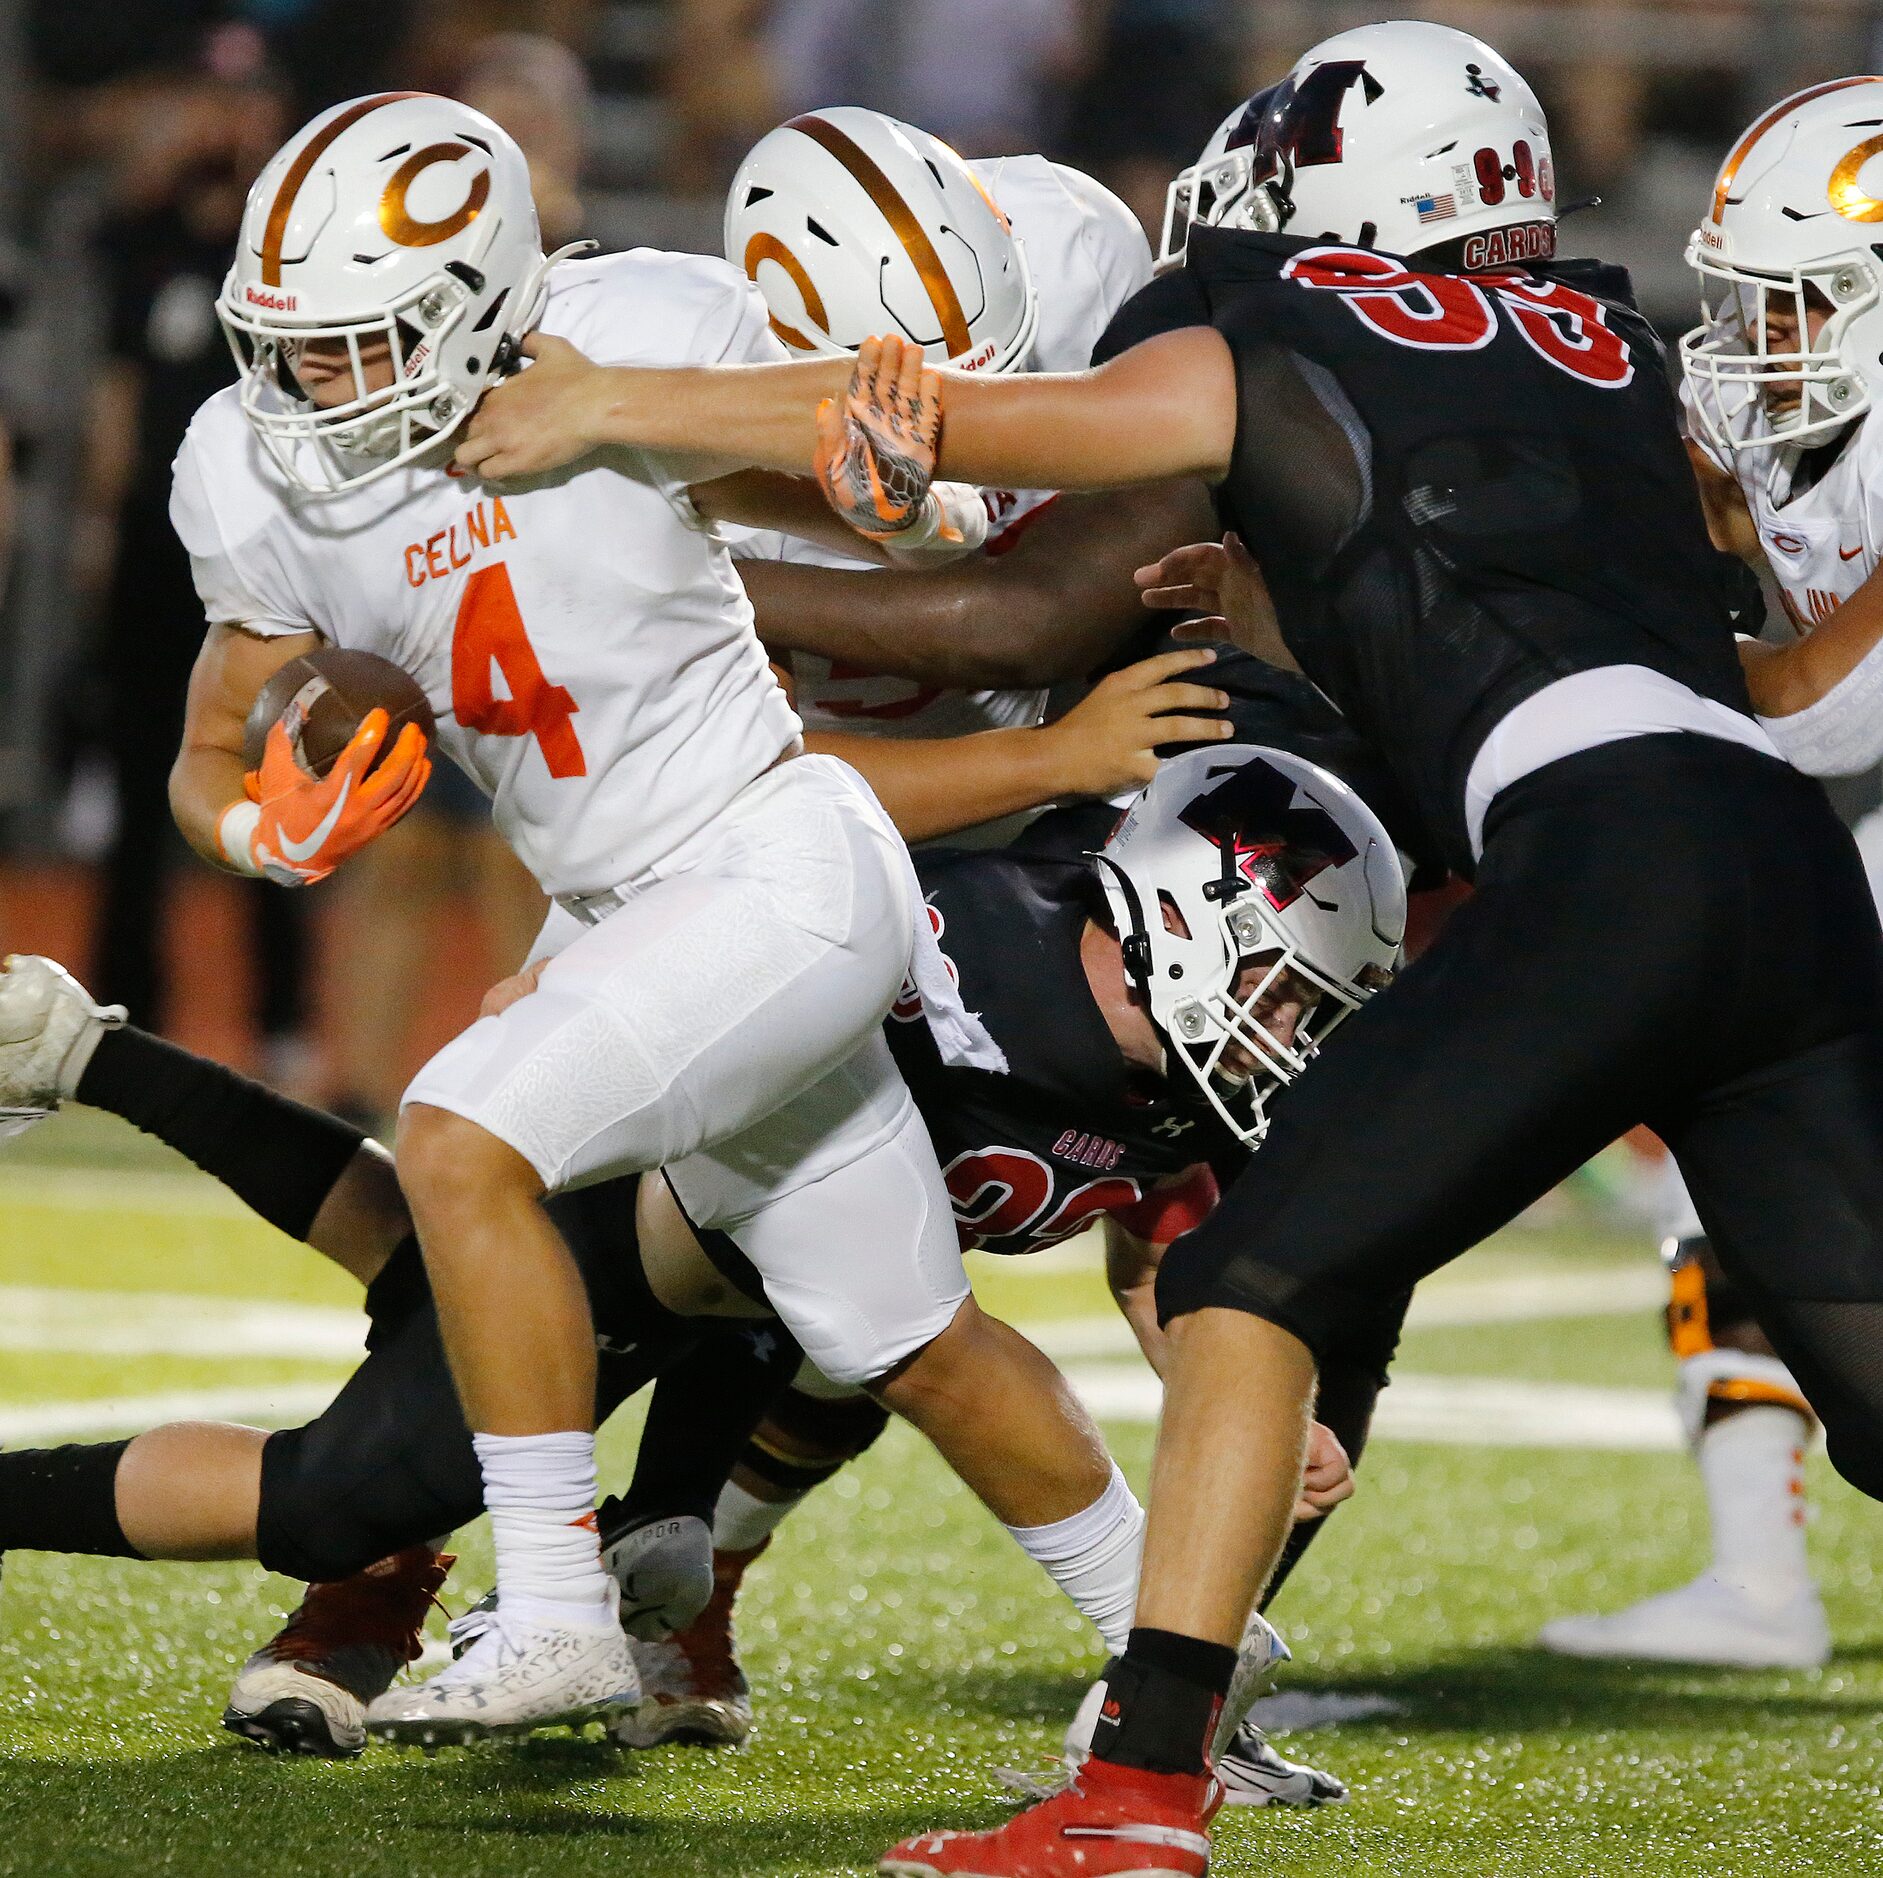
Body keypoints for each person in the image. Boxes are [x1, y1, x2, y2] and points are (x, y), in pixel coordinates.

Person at [455, 23, 1883, 1875]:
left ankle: (1134, 1802)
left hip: (1600, 855)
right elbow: (1756, 675)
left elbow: (952, 424)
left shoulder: (1267, 320)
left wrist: (610, 404)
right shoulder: (1613, 343)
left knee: (1252, 1282)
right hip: (1774, 855)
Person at [165, 90, 1160, 1749]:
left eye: (363, 339)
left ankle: (555, 1614)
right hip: (637, 910)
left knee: (462, 1132)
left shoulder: (626, 329)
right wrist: (265, 828)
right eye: (291, 343)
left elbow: (901, 450)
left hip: (777, 861)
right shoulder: (253, 471)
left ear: (487, 301)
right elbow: (216, 740)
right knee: (913, 1341)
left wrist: (618, 413)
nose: (313, 384)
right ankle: (1187, 1650)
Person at [0, 736, 1388, 1774]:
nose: (1291, 1033)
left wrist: (1240, 1385)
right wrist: (583, 963)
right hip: (620, 1198)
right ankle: (1163, 1668)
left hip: (722, 1274)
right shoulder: (964, 956)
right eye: (1276, 985)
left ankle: (96, 1055)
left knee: (484, 1284)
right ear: (1177, 919)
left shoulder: (1166, 1069)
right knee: (340, 1495)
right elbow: (766, 847)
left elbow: (1146, 1249)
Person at [1540, 75, 1883, 1673]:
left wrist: (1578, 661)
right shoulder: (1800, 428)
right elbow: (1698, 506)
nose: (1762, 340)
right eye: (1753, 303)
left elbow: (1817, 705)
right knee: (1729, 1188)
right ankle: (1758, 1580)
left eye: (1804, 302)